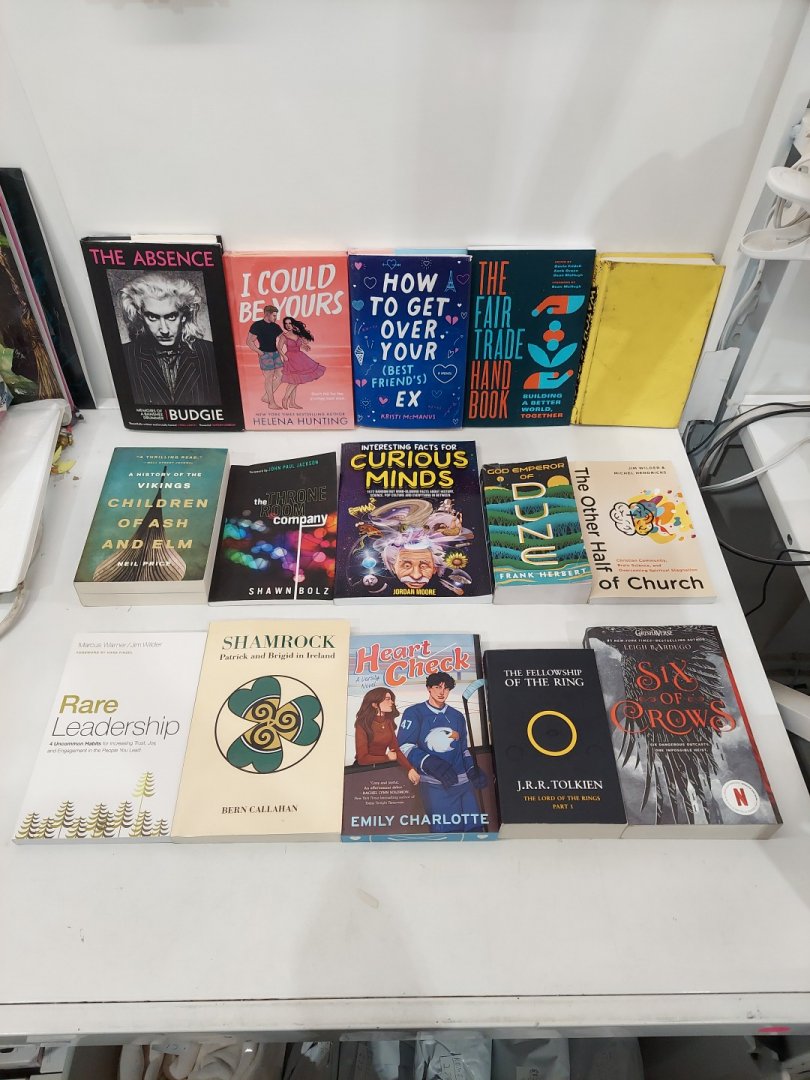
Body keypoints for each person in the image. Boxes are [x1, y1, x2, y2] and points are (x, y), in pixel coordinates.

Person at [396, 672, 488, 833]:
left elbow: (463, 750)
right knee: (448, 835)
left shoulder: (457, 716)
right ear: (429, 688)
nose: (442, 692)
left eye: (446, 688)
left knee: (475, 831)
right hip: (436, 786)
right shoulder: (415, 713)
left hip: (464, 785)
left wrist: (472, 768)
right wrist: (429, 762)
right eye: (437, 687)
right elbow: (404, 746)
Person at [118, 273, 220, 408]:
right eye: (153, 317)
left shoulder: (210, 353)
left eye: (171, 317)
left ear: (184, 316)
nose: (164, 330)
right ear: (140, 316)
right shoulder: (125, 356)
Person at [354, 688, 419, 785]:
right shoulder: (362, 724)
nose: (392, 702)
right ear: (375, 704)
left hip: (381, 767)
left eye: (391, 699)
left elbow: (396, 750)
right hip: (363, 771)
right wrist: (387, 758)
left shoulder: (388, 722)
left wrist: (410, 769)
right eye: (387, 699)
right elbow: (362, 759)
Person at [276, 315, 325, 409]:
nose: (288, 325)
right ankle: (285, 399)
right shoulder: (284, 336)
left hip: (299, 358)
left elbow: (299, 344)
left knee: (295, 381)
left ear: (293, 324)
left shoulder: (298, 334)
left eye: (290, 323)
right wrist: (283, 356)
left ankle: (292, 403)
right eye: (286, 324)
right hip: (290, 358)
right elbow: (279, 347)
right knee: (294, 381)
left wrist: (305, 346)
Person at [246, 304, 283, 409]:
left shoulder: (275, 326)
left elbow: (284, 337)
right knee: (269, 378)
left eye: (276, 315)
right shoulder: (257, 325)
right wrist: (260, 352)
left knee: (281, 376)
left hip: (275, 354)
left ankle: (266, 397)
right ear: (267, 314)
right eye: (274, 315)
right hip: (265, 354)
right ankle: (271, 403)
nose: (276, 318)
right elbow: (249, 341)